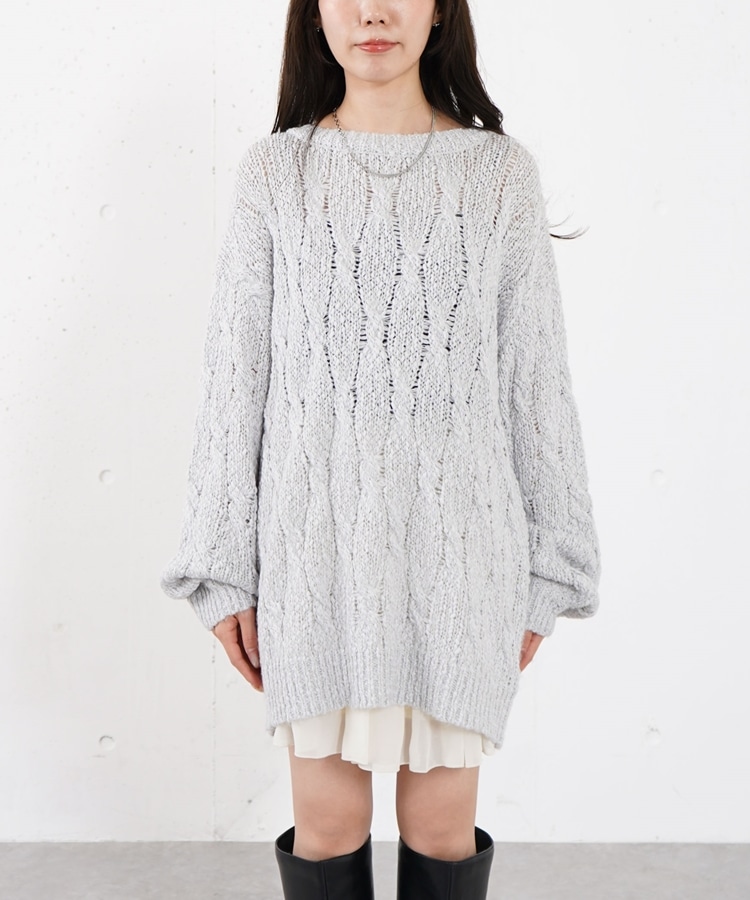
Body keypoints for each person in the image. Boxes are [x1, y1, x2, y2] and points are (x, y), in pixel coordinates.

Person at [159, 0, 602, 897]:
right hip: (315, 560)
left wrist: (553, 568)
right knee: (327, 830)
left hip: (460, 562)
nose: (372, 12)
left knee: (441, 832)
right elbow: (235, 380)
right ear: (314, 15)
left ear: (440, 13)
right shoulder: (276, 173)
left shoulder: (499, 175)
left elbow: (536, 384)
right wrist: (222, 567)